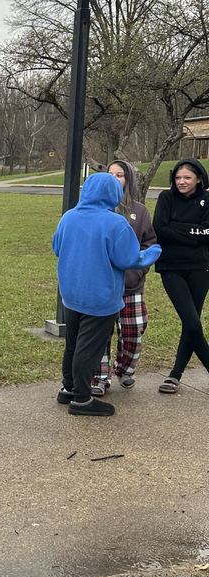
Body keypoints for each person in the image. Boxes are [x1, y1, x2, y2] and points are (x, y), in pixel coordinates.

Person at [53, 172, 161, 416]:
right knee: (88, 348)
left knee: (73, 343)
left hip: (71, 293)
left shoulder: (69, 217)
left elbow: (56, 247)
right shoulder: (115, 223)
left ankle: (68, 388)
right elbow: (128, 259)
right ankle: (81, 399)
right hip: (100, 297)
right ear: (113, 194)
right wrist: (153, 252)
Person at [91, 160, 157, 395]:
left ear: (128, 179)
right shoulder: (97, 210)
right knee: (99, 335)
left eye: (119, 175)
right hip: (102, 288)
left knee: (133, 332)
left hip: (130, 288)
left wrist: (137, 271)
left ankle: (125, 369)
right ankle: (99, 378)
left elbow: (149, 244)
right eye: (110, 174)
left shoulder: (138, 211)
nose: (114, 178)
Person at [152, 158, 209, 394]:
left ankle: (175, 376)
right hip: (171, 267)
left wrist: (178, 228)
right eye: (178, 178)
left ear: (198, 179)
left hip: (200, 268)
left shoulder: (208, 200)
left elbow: (207, 233)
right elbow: (160, 228)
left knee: (190, 322)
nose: (182, 182)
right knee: (193, 322)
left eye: (187, 177)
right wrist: (194, 232)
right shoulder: (166, 198)